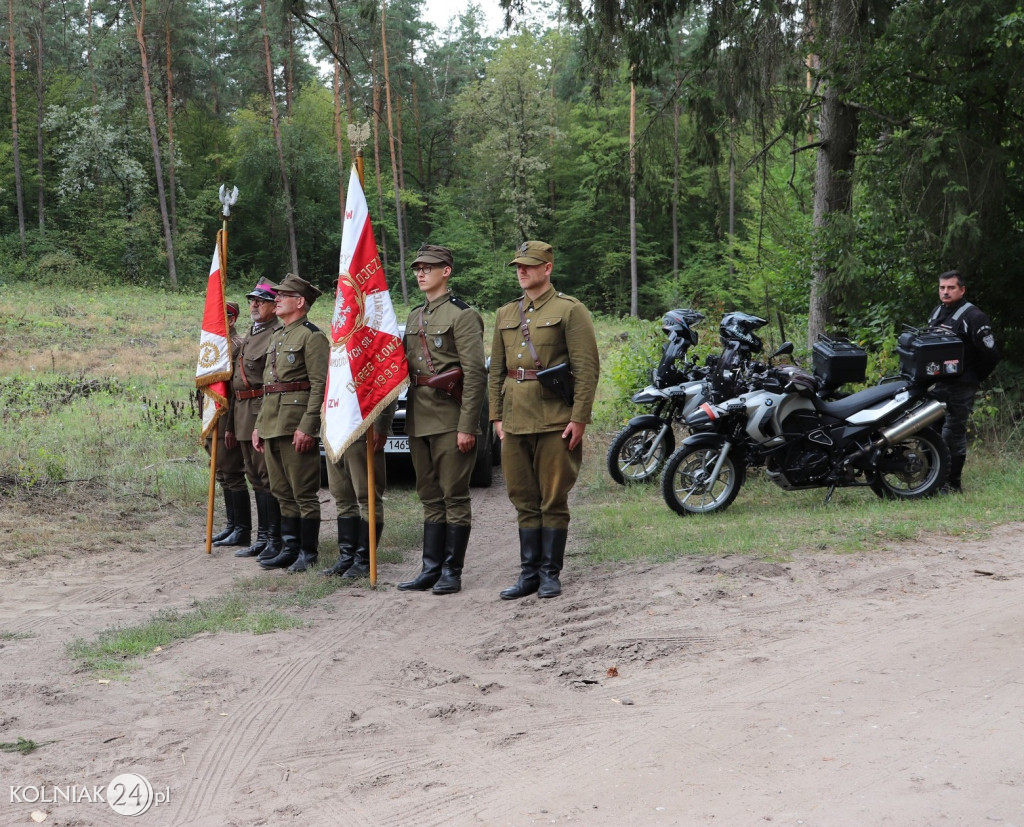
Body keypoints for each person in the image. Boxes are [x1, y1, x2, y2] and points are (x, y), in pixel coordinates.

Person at [489, 240, 600, 599]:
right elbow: (495, 373)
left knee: (552, 498)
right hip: (515, 420)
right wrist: (496, 416)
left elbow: (586, 369)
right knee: (523, 497)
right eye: (518, 266)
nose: (522, 271)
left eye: (530, 265)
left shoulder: (570, 310)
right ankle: (528, 575)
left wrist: (579, 417)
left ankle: (550, 573)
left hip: (555, 419)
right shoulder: (506, 314)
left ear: (547, 268)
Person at [398, 244, 487, 595]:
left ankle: (452, 571)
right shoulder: (414, 316)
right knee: (429, 495)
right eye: (418, 267)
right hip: (419, 417)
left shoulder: (462, 315)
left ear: (446, 271)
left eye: (429, 268)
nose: (421, 273)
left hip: (450, 418)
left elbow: (474, 375)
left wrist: (467, 425)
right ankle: (430, 568)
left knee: (454, 496)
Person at [252, 274, 329, 572]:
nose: (277, 299)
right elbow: (269, 386)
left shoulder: (312, 337)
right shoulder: (278, 336)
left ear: (300, 302)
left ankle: (308, 553)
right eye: (277, 295)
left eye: (284, 295)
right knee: (282, 491)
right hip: (272, 422)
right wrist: (259, 425)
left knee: (303, 493)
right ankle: (290, 547)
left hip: (295, 423)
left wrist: (308, 426)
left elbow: (319, 386)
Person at [927, 269, 1000, 493]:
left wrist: (973, 377)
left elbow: (990, 355)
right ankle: (931, 480)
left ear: (962, 289)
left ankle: (952, 483)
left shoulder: (974, 317)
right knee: (932, 428)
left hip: (961, 384)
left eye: (951, 288)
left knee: (953, 431)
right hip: (937, 383)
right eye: (942, 288)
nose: (946, 292)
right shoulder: (938, 311)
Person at [225, 279, 282, 560]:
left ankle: (274, 538)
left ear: (275, 305)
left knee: (267, 478)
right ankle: (262, 537)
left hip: (262, 410)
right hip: (242, 412)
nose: (254, 305)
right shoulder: (250, 334)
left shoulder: (276, 333)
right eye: (252, 300)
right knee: (254, 478)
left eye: (261, 300)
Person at [320, 403, 396, 579]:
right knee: (342, 496)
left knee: (367, 497)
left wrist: (381, 426)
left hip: (361, 427)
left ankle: (363, 560)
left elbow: (386, 389)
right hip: (334, 429)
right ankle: (347, 557)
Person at [206, 302, 251, 548]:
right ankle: (232, 526)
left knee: (233, 474)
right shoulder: (213, 346)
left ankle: (242, 530)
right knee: (222, 474)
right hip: (213, 418)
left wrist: (231, 425)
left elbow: (234, 392)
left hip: (227, 418)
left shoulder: (236, 346)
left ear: (232, 320)